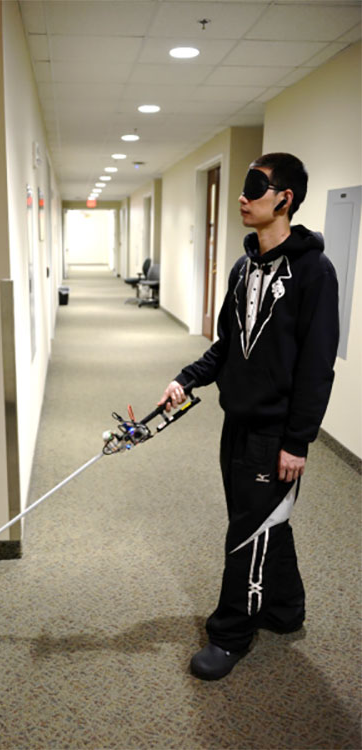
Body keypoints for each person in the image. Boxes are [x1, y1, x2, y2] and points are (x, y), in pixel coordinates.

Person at [159, 153, 339, 681]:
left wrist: (298, 442)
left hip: (275, 432)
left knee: (246, 533)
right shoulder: (242, 269)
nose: (242, 195)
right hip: (235, 422)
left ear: (284, 198)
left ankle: (232, 632)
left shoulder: (314, 272)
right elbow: (227, 348)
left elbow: (316, 366)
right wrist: (186, 378)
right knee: (261, 522)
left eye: (254, 186)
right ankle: (286, 609)